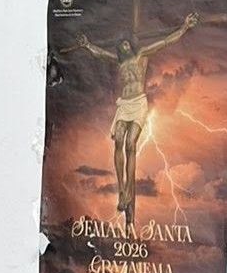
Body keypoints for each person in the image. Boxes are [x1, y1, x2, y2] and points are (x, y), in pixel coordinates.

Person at [72, 12, 199, 216]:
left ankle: (128, 192)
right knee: (118, 141)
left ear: (131, 46)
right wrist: (87, 45)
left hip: (139, 103)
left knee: (131, 144)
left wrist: (184, 27)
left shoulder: (142, 56)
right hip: (124, 104)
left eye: (126, 44)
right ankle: (122, 189)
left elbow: (165, 42)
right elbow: (100, 54)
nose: (124, 46)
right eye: (121, 45)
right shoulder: (118, 61)